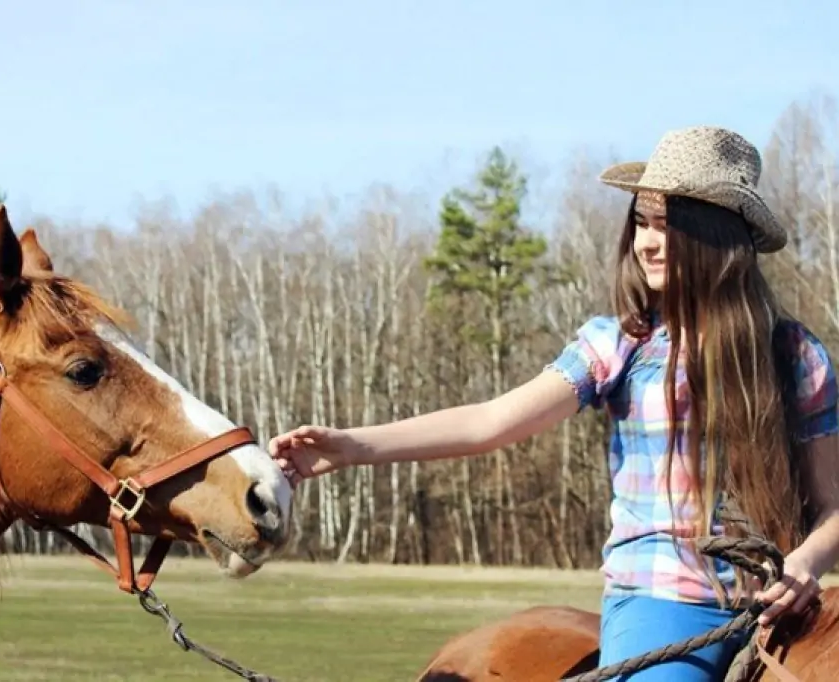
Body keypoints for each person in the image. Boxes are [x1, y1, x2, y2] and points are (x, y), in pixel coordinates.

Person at [268, 126, 839, 681]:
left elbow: (833, 509)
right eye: (641, 222)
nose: (647, 242)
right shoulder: (620, 343)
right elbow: (489, 422)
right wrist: (349, 447)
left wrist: (806, 563)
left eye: (667, 225)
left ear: (719, 237)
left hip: (783, 613)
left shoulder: (794, 356)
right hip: (664, 605)